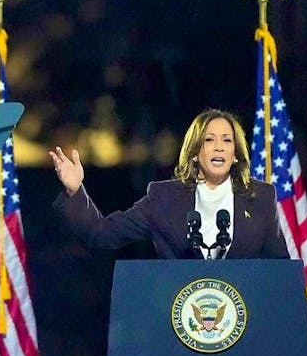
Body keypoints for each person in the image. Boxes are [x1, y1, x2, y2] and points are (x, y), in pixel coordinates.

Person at [49, 108, 289, 260]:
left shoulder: (261, 198)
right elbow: (102, 234)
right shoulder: (163, 198)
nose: (218, 147)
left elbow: (278, 271)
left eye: (227, 140)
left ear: (235, 153)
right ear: (195, 152)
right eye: (209, 140)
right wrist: (75, 189)